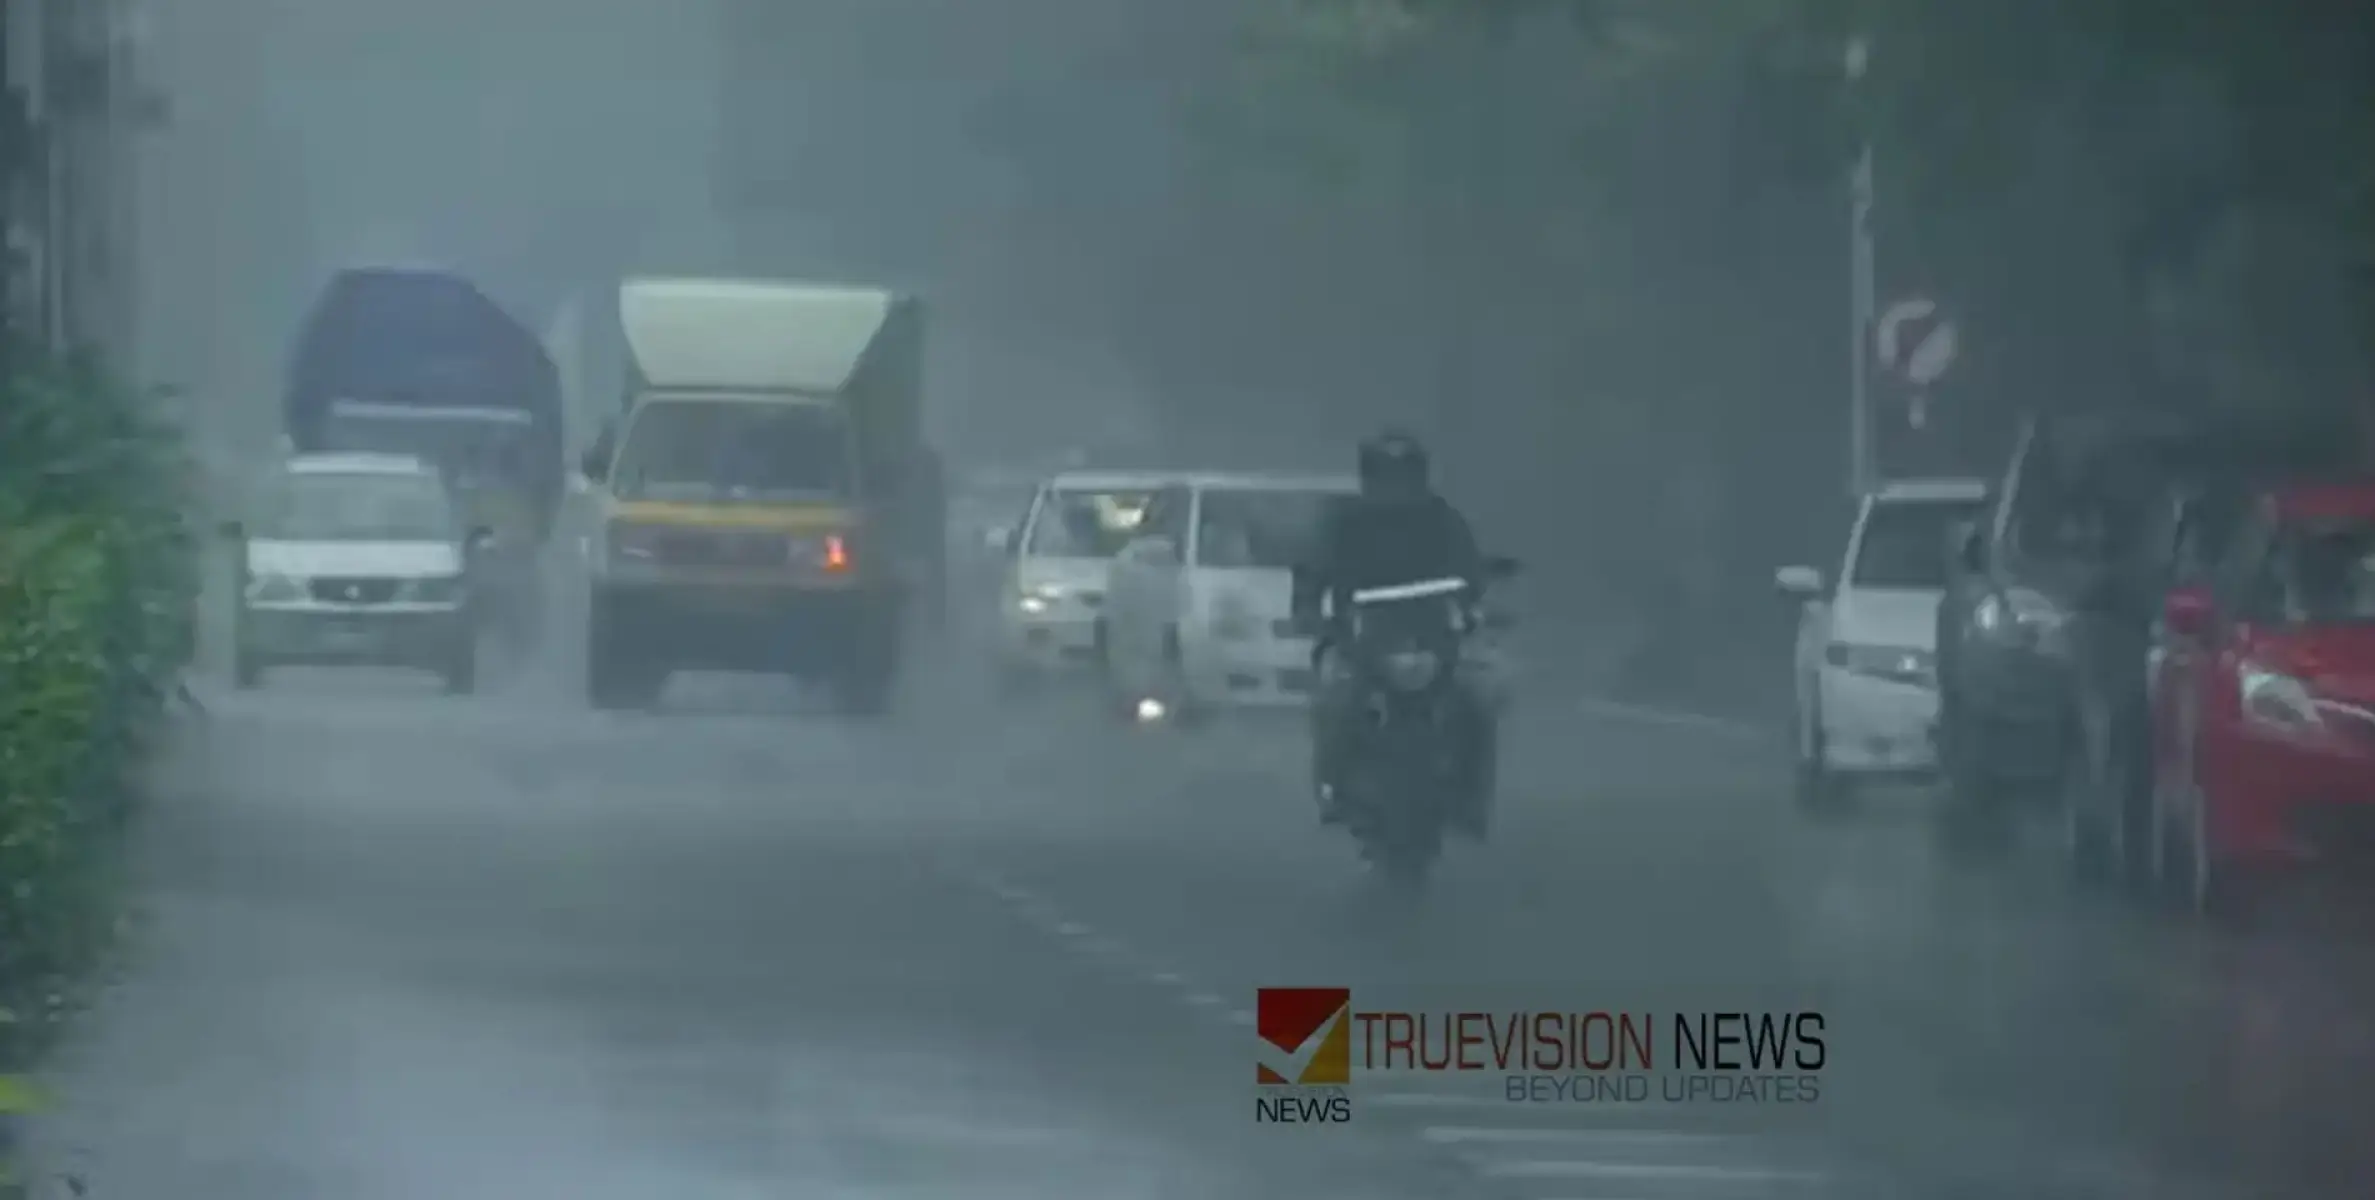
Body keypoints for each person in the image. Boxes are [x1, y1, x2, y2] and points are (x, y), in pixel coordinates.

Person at [1292, 429, 1495, 837]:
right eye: (1387, 474)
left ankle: (1473, 799)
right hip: (1363, 635)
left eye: (1404, 475)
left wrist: (1475, 607)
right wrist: (1310, 611)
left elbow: (1470, 568)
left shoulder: (1441, 517)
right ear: (1369, 475)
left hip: (1432, 636)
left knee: (1476, 705)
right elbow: (1313, 570)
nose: (1396, 486)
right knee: (1336, 703)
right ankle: (1332, 787)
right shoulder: (1342, 520)